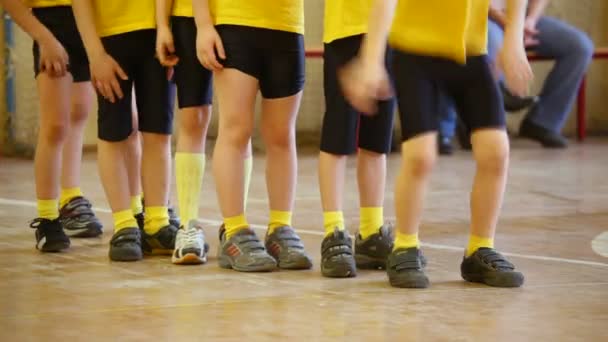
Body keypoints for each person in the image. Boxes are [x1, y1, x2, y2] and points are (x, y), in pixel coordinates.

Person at [341, 0, 531, 288]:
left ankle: (480, 248)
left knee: (496, 152)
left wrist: (513, 40)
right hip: (415, 53)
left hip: (471, 53)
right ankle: (405, 245)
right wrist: (371, 59)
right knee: (420, 156)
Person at [193, 0, 312, 272]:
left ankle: (281, 227)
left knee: (282, 133)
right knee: (236, 128)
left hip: (287, 25)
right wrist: (203, 24)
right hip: (235, 23)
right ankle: (235, 231)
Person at [72, 0, 177, 261]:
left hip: (156, 37)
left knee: (158, 131)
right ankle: (124, 224)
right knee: (114, 132)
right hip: (110, 40)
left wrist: (168, 30)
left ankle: (156, 222)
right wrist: (95, 55)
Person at [155, 0, 254, 265]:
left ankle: (235, 228)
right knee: (193, 117)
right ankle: (188, 226)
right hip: (187, 18)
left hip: (240, 16)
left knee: (239, 121)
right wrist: (163, 24)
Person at [1, 0, 104, 252]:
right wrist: (44, 38)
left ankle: (71, 197)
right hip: (52, 26)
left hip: (92, 22)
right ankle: (47, 219)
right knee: (55, 124)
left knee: (79, 111)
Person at [441, 0, 594, 150]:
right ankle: (479, 122)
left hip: (520, 18)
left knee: (579, 47)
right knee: (490, 43)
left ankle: (543, 122)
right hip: (480, 16)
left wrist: (530, 21)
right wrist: (511, 28)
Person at [318, 0, 395, 278]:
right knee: (337, 138)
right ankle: (334, 230)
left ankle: (372, 231)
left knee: (377, 141)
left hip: (389, 31)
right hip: (346, 31)